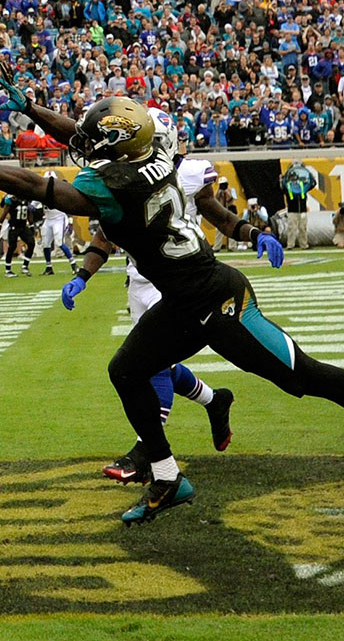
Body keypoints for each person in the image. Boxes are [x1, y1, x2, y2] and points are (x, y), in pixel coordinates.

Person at [0, 92, 344, 526]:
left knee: (302, 377)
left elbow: (38, 186)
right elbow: (82, 134)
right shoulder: (154, 148)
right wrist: (33, 110)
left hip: (218, 298)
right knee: (127, 369)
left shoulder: (114, 185)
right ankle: (168, 477)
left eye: (98, 143)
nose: (87, 145)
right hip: (183, 299)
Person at [62, 113, 236, 483]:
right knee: (154, 362)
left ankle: (146, 452)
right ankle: (214, 399)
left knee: (151, 367)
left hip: (176, 279)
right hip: (139, 279)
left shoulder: (192, 172)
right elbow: (107, 235)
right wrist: (82, 275)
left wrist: (253, 232)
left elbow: (218, 215)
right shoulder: (123, 175)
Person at [38, 171, 78, 275]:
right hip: (48, 219)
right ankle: (49, 267)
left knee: (59, 242)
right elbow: (34, 204)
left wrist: (70, 221)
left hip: (59, 218)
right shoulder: (41, 191)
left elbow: (69, 205)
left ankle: (74, 264)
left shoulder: (60, 190)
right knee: (45, 244)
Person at [0, 192, 37, 277]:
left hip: (23, 226)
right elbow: (4, 213)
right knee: (12, 247)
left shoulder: (26, 200)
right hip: (14, 227)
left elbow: (29, 213)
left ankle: (25, 266)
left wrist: (31, 225)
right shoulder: (12, 200)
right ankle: (8, 270)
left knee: (31, 243)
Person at [280, 159, 316, 249]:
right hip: (292, 210)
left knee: (303, 228)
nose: (293, 180)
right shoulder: (288, 187)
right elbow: (281, 187)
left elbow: (313, 184)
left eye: (295, 178)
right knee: (291, 228)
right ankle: (290, 245)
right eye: (292, 178)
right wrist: (282, 179)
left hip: (302, 209)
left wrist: (311, 176)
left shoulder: (302, 186)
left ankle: (304, 245)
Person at [211, 176, 237, 251]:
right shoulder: (219, 192)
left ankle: (232, 247)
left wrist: (227, 192)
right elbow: (215, 199)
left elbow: (232, 199)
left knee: (232, 229)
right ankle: (217, 247)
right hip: (222, 211)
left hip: (231, 210)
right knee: (219, 230)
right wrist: (218, 191)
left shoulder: (232, 190)